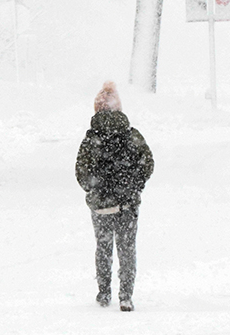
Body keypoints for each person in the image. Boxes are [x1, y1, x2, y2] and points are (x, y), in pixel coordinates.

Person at [75, 81, 154, 312]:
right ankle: (126, 296)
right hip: (127, 205)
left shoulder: (90, 139)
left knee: (103, 247)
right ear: (119, 108)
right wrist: (134, 186)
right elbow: (147, 163)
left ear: (96, 109)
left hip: (101, 207)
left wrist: (95, 190)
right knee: (127, 248)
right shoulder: (131, 135)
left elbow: (81, 172)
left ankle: (103, 292)